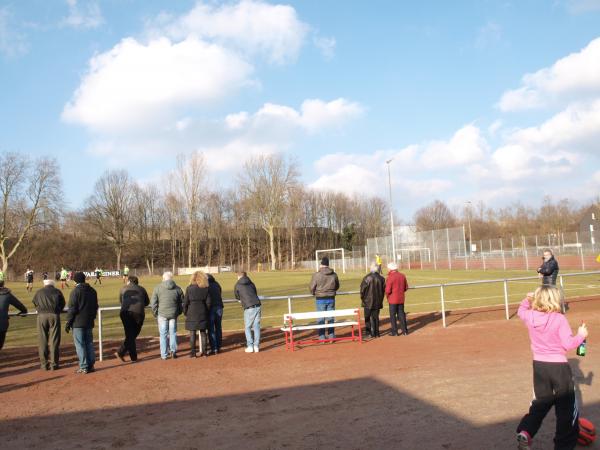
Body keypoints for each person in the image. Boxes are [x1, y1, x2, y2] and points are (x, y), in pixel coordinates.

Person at [515, 286, 588, 450]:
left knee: (540, 403)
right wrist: (581, 335)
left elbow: (521, 310)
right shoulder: (559, 319)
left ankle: (526, 431)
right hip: (559, 368)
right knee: (566, 409)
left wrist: (527, 299)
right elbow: (568, 344)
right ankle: (563, 446)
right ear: (556, 300)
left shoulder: (530, 315)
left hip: (539, 367)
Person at [65, 272, 98, 374]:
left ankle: (84, 366)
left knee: (80, 345)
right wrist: (92, 317)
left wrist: (68, 322)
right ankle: (91, 365)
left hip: (78, 322)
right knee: (89, 343)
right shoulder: (92, 290)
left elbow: (72, 308)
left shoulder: (75, 292)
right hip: (89, 321)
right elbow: (95, 306)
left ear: (75, 281)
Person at [33, 279, 65, 370]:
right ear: (53, 284)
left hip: (41, 316)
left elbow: (35, 302)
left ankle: (44, 364)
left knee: (42, 340)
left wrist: (39, 310)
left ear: (44, 284)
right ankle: (54, 364)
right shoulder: (57, 291)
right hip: (54, 315)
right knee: (54, 340)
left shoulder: (39, 292)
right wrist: (57, 310)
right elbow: (62, 303)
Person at [115, 276, 149, 363]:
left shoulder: (123, 288)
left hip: (125, 312)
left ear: (129, 281)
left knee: (130, 335)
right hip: (138, 313)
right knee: (132, 335)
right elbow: (147, 302)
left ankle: (121, 353)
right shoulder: (142, 289)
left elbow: (121, 301)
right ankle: (132, 357)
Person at [150, 272, 184, 360]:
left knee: (163, 335)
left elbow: (153, 303)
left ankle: (164, 355)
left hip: (162, 314)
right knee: (173, 333)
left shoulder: (157, 288)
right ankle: (173, 351)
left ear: (163, 278)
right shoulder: (178, 288)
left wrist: (155, 313)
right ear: (171, 278)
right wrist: (178, 312)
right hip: (173, 314)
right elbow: (182, 303)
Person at [309, 257, 340, 342]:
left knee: (321, 318)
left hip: (320, 299)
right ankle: (331, 336)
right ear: (328, 265)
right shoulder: (334, 274)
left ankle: (322, 337)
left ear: (321, 264)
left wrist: (313, 293)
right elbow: (337, 286)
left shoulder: (316, 275)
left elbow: (312, 287)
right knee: (330, 318)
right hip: (331, 298)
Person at [184, 271, 212, 358]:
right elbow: (209, 303)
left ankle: (193, 353)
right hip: (202, 312)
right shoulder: (206, 289)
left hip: (191, 313)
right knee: (203, 333)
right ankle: (204, 352)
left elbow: (185, 303)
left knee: (192, 334)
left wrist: (185, 312)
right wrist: (205, 311)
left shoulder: (189, 288)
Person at [234, 271, 261, 353]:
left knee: (247, 327)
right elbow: (255, 293)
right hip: (257, 305)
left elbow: (237, 296)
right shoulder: (251, 283)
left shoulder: (237, 285)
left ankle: (250, 346)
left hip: (249, 307)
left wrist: (241, 300)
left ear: (239, 276)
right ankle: (256, 346)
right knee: (256, 326)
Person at [0, 280, 28, 351]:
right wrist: (24, 311)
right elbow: (20, 305)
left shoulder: (7, 295)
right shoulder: (7, 295)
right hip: (2, 324)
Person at [360, 263, 386, 338]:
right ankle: (376, 333)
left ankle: (369, 333)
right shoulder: (381, 278)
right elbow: (383, 290)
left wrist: (363, 299)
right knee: (376, 317)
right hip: (377, 301)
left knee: (367, 317)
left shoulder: (366, 278)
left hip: (367, 301)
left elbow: (362, 291)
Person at [385, 262, 409, 336]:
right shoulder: (402, 276)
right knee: (401, 314)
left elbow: (388, 290)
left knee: (393, 316)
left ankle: (395, 332)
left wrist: (387, 295)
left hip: (392, 299)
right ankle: (405, 331)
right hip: (401, 298)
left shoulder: (390, 277)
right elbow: (406, 287)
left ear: (390, 269)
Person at [207, 274, 224, 354]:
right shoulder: (217, 284)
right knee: (218, 327)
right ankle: (219, 346)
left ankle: (214, 348)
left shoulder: (206, 285)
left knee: (211, 329)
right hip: (219, 307)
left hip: (211, 308)